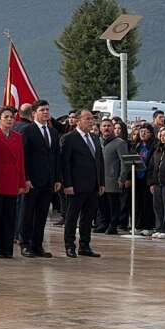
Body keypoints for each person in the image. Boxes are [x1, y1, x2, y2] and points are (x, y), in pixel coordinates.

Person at [59, 109, 105, 258]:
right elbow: (65, 163)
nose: (91, 122)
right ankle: (69, 245)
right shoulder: (69, 138)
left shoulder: (95, 138)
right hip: (76, 185)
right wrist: (67, 184)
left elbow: (99, 161)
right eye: (87, 119)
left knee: (88, 217)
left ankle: (84, 245)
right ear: (78, 121)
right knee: (72, 217)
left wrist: (101, 182)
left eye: (92, 119)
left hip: (92, 185)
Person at [17, 100, 60, 257]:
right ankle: (25, 244)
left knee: (42, 215)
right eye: (42, 110)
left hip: (48, 180)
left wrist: (57, 178)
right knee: (27, 213)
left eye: (47, 109)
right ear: (34, 113)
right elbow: (23, 156)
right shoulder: (27, 130)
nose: (46, 112)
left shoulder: (53, 132)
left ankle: (37, 245)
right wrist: (25, 178)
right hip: (32, 180)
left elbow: (56, 156)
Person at [0, 107, 27, 258]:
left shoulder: (17, 137)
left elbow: (20, 161)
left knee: (10, 216)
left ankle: (7, 248)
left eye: (12, 117)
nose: (10, 119)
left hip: (12, 180)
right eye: (6, 117)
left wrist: (22, 183)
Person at [99, 119, 127, 236]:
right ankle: (103, 224)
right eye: (104, 126)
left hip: (113, 179)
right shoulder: (97, 141)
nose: (106, 128)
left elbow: (124, 162)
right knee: (102, 204)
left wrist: (122, 178)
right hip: (100, 180)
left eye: (109, 126)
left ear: (113, 128)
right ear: (100, 128)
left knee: (113, 205)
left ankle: (113, 226)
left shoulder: (120, 143)